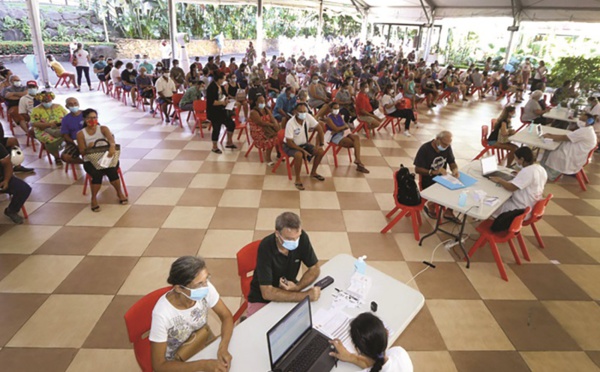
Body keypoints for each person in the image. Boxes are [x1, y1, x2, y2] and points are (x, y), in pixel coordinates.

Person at [149, 256, 233, 372]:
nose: (205, 287)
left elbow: (226, 316)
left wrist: (223, 347)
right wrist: (202, 365)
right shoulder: (162, 314)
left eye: (206, 279)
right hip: (176, 360)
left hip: (200, 338)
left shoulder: (206, 288)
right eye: (199, 284)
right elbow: (159, 365)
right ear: (179, 288)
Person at [247, 212, 321, 316]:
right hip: (261, 298)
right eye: (290, 239)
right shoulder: (265, 247)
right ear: (277, 234)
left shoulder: (302, 238)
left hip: (289, 290)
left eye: (297, 237)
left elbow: (315, 268)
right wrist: (304, 296)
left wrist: (297, 287)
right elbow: (267, 292)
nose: (295, 242)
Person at [76, 108, 127, 212]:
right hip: (90, 160)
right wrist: (89, 147)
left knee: (112, 171)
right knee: (97, 174)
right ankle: (94, 198)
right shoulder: (81, 134)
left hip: (107, 157)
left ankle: (119, 193)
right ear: (85, 119)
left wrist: (112, 146)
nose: (92, 120)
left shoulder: (103, 128)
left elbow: (111, 139)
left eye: (94, 117)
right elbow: (82, 152)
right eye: (89, 118)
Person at [329, 312, 413, 372]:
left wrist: (351, 357)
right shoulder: (400, 353)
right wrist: (351, 357)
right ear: (386, 333)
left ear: (358, 350)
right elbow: (377, 364)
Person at [414, 131, 461, 222]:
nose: (445, 146)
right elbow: (417, 169)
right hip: (428, 179)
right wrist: (434, 172)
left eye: (448, 144)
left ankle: (449, 211)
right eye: (444, 144)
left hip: (443, 178)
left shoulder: (447, 147)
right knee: (446, 191)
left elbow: (451, 161)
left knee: (460, 190)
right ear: (437, 140)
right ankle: (431, 204)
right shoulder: (425, 149)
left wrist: (454, 169)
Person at [491, 146, 547, 218]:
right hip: (533, 203)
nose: (516, 161)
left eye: (516, 159)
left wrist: (499, 180)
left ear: (522, 159)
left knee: (494, 205)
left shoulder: (527, 171)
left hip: (522, 209)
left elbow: (511, 187)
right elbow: (533, 180)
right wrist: (520, 175)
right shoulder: (540, 168)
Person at [541, 113, 597, 181]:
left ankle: (548, 174)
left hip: (572, 156)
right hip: (576, 153)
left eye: (583, 120)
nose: (580, 121)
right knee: (551, 147)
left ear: (589, 122)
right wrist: (551, 135)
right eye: (580, 119)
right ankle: (543, 170)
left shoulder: (585, 131)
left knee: (551, 150)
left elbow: (565, 137)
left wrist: (550, 136)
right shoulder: (587, 129)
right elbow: (569, 136)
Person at [284, 103, 326, 190]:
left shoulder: (307, 117)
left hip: (304, 144)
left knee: (320, 151)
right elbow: (289, 142)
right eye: (300, 111)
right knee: (299, 155)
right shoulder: (290, 123)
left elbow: (319, 128)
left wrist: (320, 144)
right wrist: (302, 151)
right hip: (290, 145)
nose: (303, 113)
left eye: (304, 111)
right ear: (295, 112)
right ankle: (298, 179)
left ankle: (313, 172)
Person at [325, 102, 369, 173]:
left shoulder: (339, 116)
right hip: (335, 136)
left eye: (337, 108)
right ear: (330, 109)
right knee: (354, 143)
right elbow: (336, 129)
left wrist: (343, 128)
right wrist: (343, 127)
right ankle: (358, 163)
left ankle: (358, 160)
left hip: (343, 132)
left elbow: (345, 125)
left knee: (356, 138)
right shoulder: (328, 118)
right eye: (335, 108)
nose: (336, 110)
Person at [30, 91, 67, 166]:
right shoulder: (36, 110)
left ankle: (68, 153)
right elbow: (34, 123)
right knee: (50, 139)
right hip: (43, 129)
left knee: (69, 135)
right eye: (45, 100)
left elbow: (67, 117)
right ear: (41, 100)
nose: (47, 102)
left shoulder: (59, 107)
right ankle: (57, 157)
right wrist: (48, 124)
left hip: (60, 127)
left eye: (49, 100)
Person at [0, 142, 32, 224]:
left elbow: (7, 164)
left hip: (2, 179)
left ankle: (12, 210)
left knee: (24, 189)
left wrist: (6, 180)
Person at [206, 71, 236, 153]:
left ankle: (229, 141)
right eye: (223, 79)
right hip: (214, 112)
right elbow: (212, 102)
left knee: (231, 124)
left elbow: (225, 95)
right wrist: (222, 102)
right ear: (219, 79)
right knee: (216, 128)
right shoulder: (211, 87)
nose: (224, 81)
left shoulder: (221, 86)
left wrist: (227, 100)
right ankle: (214, 147)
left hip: (222, 110)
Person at [249, 95, 280, 165]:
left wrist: (276, 125)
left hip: (267, 129)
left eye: (263, 101)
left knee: (280, 135)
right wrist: (272, 125)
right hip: (258, 132)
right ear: (256, 102)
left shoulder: (266, 110)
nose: (262, 103)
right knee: (273, 139)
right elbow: (260, 123)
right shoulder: (253, 112)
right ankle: (267, 157)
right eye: (260, 101)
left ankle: (279, 153)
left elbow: (273, 119)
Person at [60, 97, 85, 164]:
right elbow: (65, 135)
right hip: (75, 142)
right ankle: (87, 163)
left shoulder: (86, 114)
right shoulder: (65, 119)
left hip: (90, 140)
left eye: (75, 103)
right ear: (67, 106)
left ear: (78, 104)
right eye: (70, 104)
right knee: (65, 156)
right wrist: (74, 142)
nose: (73, 105)